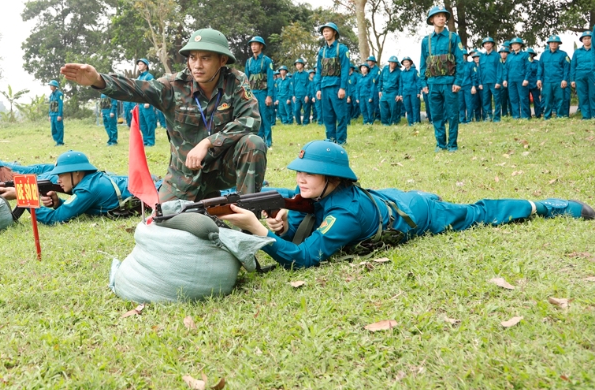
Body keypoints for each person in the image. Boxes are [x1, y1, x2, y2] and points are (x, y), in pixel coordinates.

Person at [219, 140, 594, 269]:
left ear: (334, 178)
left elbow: (305, 260)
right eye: (300, 171)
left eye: (309, 174)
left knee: (479, 212)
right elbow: (292, 195)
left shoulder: (345, 213)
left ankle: (552, 206)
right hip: (386, 199)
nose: (301, 179)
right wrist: (285, 213)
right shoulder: (327, 192)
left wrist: (259, 230)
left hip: (418, 213)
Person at [60, 27, 266, 202]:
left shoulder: (236, 81)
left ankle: (248, 225)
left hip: (221, 169)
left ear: (222, 60)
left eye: (205, 58)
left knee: (253, 143)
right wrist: (99, 80)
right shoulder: (174, 85)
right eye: (193, 58)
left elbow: (251, 119)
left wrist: (208, 143)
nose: (197, 65)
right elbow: (137, 88)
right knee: (165, 226)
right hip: (184, 177)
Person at [0, 151, 143, 224]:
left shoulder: (88, 189)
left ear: (77, 173)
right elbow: (77, 207)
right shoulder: (89, 182)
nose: (58, 180)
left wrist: (24, 196)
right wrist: (58, 203)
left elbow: (54, 219)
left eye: (61, 175)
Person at [419, 6, 465, 152]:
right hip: (432, 84)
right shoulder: (426, 41)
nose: (442, 18)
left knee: (452, 115)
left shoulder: (453, 37)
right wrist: (423, 82)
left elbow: (460, 61)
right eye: (438, 16)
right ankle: (440, 144)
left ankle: (452, 144)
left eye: (444, 16)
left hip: (450, 83)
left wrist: (458, 81)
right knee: (436, 115)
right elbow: (423, 62)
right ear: (432, 20)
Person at [315, 22, 352, 144]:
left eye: (328, 31)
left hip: (337, 86)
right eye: (324, 31)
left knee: (340, 115)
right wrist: (318, 88)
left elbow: (345, 69)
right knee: (328, 116)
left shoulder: (342, 49)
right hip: (325, 86)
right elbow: (319, 71)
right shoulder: (322, 51)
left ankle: (341, 141)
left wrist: (343, 87)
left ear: (334, 32)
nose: (325, 33)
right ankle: (331, 140)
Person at [244, 36, 274, 148]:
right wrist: (246, 95)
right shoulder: (249, 61)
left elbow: (270, 79)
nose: (253, 47)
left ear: (261, 46)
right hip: (252, 93)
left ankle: (268, 141)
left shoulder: (267, 60)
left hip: (263, 93)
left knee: (265, 117)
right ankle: (259, 139)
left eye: (256, 44)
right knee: (255, 117)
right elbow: (245, 79)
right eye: (252, 45)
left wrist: (269, 96)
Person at [537, 35, 570, 119]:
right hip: (547, 81)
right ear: (549, 44)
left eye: (555, 43)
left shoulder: (563, 54)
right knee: (547, 100)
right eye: (551, 42)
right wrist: (538, 79)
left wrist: (565, 79)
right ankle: (547, 116)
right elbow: (540, 68)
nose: (553, 44)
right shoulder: (544, 55)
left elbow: (566, 68)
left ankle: (560, 116)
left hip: (559, 81)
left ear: (558, 44)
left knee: (560, 99)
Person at [503, 38, 532, 119]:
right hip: (511, 80)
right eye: (513, 44)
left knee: (523, 98)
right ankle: (516, 116)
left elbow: (528, 68)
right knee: (513, 98)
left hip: (521, 80)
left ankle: (525, 116)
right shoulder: (509, 56)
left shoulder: (525, 55)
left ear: (520, 45)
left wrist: (526, 79)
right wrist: (505, 79)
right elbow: (506, 69)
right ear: (511, 46)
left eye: (516, 44)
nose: (515, 45)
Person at [570, 31, 594, 120]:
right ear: (582, 40)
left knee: (593, 95)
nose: (587, 40)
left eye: (589, 38)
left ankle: (594, 115)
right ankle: (586, 116)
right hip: (579, 75)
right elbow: (573, 66)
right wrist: (572, 79)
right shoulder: (577, 52)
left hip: (592, 75)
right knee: (582, 96)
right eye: (585, 38)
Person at [478, 37, 499, 121]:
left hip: (494, 82)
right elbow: (479, 71)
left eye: (489, 43)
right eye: (485, 43)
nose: (487, 45)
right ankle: (488, 116)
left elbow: (499, 69)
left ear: (492, 44)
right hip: (484, 82)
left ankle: (497, 117)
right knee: (486, 100)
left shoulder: (497, 55)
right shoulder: (482, 57)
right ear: (484, 45)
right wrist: (480, 83)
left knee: (497, 100)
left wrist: (498, 81)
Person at [378, 56, 402, 126]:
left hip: (393, 92)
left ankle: (393, 122)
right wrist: (379, 90)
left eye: (395, 63)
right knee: (383, 106)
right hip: (384, 92)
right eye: (392, 63)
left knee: (393, 108)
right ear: (389, 62)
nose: (393, 64)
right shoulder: (385, 69)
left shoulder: (399, 72)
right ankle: (385, 122)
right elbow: (380, 80)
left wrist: (399, 94)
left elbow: (400, 84)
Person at [459, 50, 480, 123]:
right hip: (459, 87)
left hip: (468, 86)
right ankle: (462, 119)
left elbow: (473, 76)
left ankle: (469, 119)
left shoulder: (471, 65)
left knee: (469, 103)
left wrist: (473, 86)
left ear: (466, 56)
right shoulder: (457, 65)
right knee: (461, 104)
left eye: (464, 55)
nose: (462, 57)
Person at [400, 57, 421, 126]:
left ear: (410, 63)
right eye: (404, 62)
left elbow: (418, 81)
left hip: (413, 92)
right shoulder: (402, 73)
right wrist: (400, 94)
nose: (406, 63)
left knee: (415, 107)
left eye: (407, 62)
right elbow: (401, 84)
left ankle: (416, 122)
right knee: (408, 108)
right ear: (403, 64)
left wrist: (418, 92)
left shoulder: (415, 71)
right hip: (405, 92)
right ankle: (410, 122)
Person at [291, 58, 312, 125]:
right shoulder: (294, 75)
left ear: (302, 65)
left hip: (304, 94)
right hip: (297, 95)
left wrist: (307, 95)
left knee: (306, 109)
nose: (297, 65)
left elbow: (309, 85)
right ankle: (298, 122)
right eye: (296, 64)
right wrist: (293, 95)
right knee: (296, 110)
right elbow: (293, 85)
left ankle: (306, 122)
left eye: (299, 64)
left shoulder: (306, 74)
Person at [47, 80, 64, 146]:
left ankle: (60, 142)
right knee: (53, 129)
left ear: (55, 86)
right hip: (52, 114)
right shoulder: (51, 95)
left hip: (57, 114)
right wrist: (49, 115)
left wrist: (60, 115)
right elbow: (50, 105)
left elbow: (60, 104)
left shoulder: (60, 94)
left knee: (59, 128)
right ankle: (56, 141)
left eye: (51, 85)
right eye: (50, 85)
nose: (50, 86)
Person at [526, 49, 541, 118]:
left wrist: (539, 81)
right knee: (526, 101)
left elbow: (539, 72)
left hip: (535, 84)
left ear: (532, 55)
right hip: (525, 84)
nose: (528, 55)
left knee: (536, 100)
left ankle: (538, 115)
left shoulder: (537, 63)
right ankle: (528, 115)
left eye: (529, 54)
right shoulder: (524, 62)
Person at [366, 56, 381, 123]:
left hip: (375, 88)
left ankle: (377, 116)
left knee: (376, 103)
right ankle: (370, 116)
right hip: (368, 88)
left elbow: (378, 79)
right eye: (368, 61)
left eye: (370, 61)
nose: (368, 62)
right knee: (369, 103)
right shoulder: (367, 69)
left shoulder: (377, 70)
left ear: (373, 62)